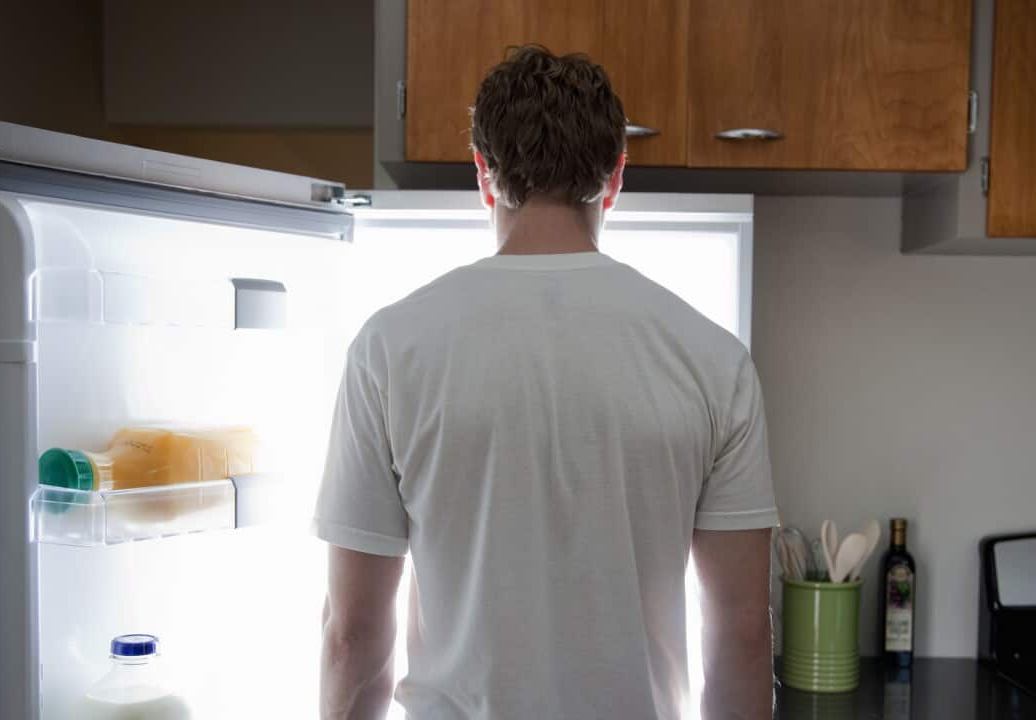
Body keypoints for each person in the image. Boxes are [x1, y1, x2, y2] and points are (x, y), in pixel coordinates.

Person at [314, 45, 778, 720]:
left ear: (484, 172)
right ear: (616, 174)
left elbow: (353, 634)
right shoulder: (713, 358)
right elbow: (741, 631)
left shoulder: (390, 349)